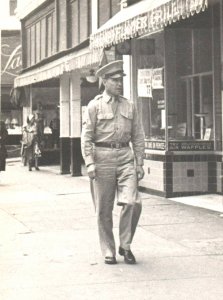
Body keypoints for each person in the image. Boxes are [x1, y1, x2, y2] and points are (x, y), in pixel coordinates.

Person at [81, 60, 145, 265]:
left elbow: (138, 136)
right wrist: (89, 162)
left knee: (133, 202)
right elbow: (86, 137)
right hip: (102, 158)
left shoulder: (130, 105)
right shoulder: (94, 106)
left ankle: (125, 245)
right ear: (104, 81)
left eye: (121, 80)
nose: (119, 84)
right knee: (103, 208)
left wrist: (140, 163)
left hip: (126, 157)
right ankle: (108, 249)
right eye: (115, 80)